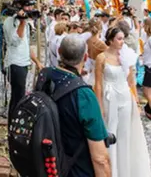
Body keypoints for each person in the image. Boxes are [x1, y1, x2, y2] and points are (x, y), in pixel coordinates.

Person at [37, 34, 111, 177]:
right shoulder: (84, 95)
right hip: (75, 168)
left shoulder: (44, 75)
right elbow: (100, 158)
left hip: (47, 160)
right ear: (85, 57)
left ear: (59, 52)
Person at [94, 27, 151, 177]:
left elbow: (131, 81)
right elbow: (98, 84)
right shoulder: (101, 57)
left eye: (123, 38)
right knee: (111, 130)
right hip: (109, 96)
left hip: (125, 96)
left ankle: (124, 170)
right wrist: (99, 105)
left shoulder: (126, 55)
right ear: (111, 40)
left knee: (125, 133)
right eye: (119, 39)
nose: (122, 42)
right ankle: (111, 170)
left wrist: (137, 102)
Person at [3, 0, 44, 120]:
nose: (30, 9)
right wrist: (21, 23)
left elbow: (26, 46)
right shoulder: (10, 22)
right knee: (17, 96)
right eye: (28, 6)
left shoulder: (25, 23)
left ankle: (18, 122)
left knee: (21, 96)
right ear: (20, 7)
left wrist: (37, 62)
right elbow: (14, 41)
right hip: (15, 64)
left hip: (24, 63)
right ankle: (13, 124)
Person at [85, 18, 108, 85]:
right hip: (100, 73)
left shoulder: (87, 41)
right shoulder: (101, 44)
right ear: (100, 29)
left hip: (91, 72)